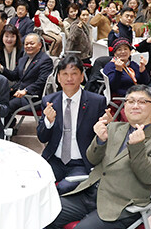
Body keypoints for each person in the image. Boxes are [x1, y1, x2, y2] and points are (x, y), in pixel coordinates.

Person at [43, 85, 151, 229]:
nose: (135, 106)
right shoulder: (114, 127)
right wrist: (99, 140)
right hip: (91, 193)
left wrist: (137, 147)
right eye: (130, 101)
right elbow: (92, 159)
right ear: (124, 105)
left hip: (122, 204)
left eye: (142, 102)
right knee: (46, 213)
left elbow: (148, 177)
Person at [37, 55, 107, 193]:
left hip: (81, 162)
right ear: (58, 78)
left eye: (74, 74)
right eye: (65, 74)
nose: (69, 79)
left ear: (82, 77)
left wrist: (104, 128)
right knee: (38, 183)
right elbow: (42, 137)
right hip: (55, 159)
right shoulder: (49, 101)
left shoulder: (97, 102)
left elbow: (102, 142)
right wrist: (48, 122)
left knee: (63, 188)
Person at [3, 33, 53, 119]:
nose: (29, 46)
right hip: (17, 93)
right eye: (26, 44)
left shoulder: (45, 60)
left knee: (7, 106)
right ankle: (8, 124)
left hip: (32, 98)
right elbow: (14, 76)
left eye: (32, 43)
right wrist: (0, 67)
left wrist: (26, 90)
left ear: (39, 45)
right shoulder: (23, 59)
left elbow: (42, 81)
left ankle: (4, 125)